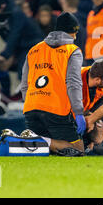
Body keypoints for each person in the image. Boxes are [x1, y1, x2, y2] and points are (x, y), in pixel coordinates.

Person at [21, 12, 86, 156]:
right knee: (78, 151)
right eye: (75, 33)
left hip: (31, 107)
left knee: (47, 153)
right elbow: (73, 83)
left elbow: (24, 84)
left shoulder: (34, 49)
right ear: (72, 32)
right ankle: (42, 140)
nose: (75, 37)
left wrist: (31, 102)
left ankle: (38, 140)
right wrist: (78, 112)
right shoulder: (72, 51)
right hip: (56, 109)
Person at [0, 0, 44, 97]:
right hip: (19, 47)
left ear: (2, 7)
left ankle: (31, 101)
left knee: (24, 72)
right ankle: (6, 95)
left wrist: (5, 54)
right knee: (2, 66)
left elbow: (14, 35)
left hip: (32, 45)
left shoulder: (16, 13)